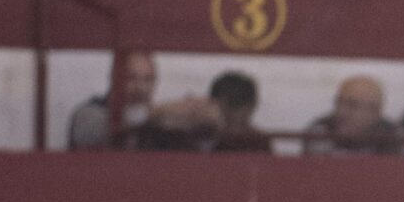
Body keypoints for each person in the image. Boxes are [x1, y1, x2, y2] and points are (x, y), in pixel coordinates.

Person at [68, 49, 221, 148]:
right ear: (114, 78)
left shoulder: (158, 118)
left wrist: (198, 119)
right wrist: (165, 111)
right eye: (131, 78)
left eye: (148, 79)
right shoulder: (89, 113)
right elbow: (92, 132)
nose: (140, 87)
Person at [303, 75, 404, 152]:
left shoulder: (397, 137)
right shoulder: (320, 131)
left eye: (352, 105)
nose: (342, 111)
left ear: (376, 111)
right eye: (340, 102)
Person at [208, 70, 273, 150]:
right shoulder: (203, 139)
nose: (231, 114)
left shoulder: (259, 140)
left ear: (251, 106)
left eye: (235, 105)